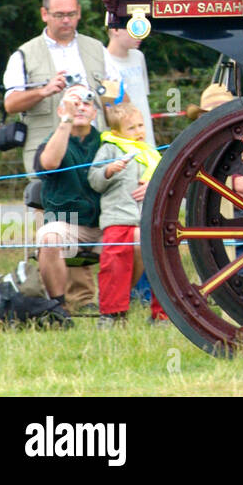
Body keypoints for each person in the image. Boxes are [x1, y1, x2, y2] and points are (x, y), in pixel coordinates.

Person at [3, 0, 108, 175]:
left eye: (71, 14)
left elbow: (118, 98)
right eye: (59, 15)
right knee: (50, 203)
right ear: (45, 14)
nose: (66, 20)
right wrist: (44, 91)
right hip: (47, 152)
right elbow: (10, 104)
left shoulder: (98, 49)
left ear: (79, 14)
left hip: (95, 150)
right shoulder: (24, 54)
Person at [32, 85, 117, 316]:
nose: (80, 107)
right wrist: (67, 121)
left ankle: (118, 303)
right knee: (49, 238)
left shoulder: (108, 143)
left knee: (138, 240)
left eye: (86, 103)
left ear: (95, 113)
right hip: (67, 225)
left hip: (106, 224)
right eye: (73, 102)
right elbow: (49, 163)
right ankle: (58, 307)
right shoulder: (53, 141)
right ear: (61, 110)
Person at [87, 103, 165, 325]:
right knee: (113, 263)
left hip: (148, 220)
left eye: (141, 125)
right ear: (116, 132)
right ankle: (113, 313)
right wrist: (108, 171)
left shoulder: (150, 152)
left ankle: (162, 314)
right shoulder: (109, 149)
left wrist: (153, 183)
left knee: (160, 261)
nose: (139, 131)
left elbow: (165, 178)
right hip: (118, 218)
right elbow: (94, 180)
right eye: (131, 128)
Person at [104, 27, 155, 146]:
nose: (140, 35)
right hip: (124, 138)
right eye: (133, 28)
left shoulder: (138, 57)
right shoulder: (105, 62)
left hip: (145, 133)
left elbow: (143, 97)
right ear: (115, 29)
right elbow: (109, 107)